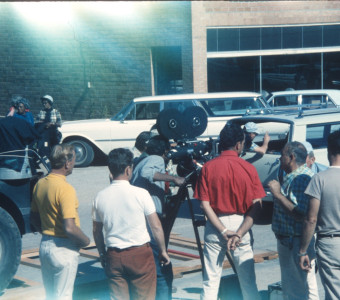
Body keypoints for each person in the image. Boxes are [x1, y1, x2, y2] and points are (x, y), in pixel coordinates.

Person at [194, 123, 265, 300]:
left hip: (215, 223)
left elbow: (204, 204)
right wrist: (239, 233)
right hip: (242, 222)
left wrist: (223, 230)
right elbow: (257, 205)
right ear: (238, 145)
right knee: (248, 281)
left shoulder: (208, 168)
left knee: (211, 281)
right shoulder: (249, 168)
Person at [92, 148, 170, 300]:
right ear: (128, 169)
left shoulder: (99, 197)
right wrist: (162, 251)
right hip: (140, 255)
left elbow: (96, 231)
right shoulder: (141, 194)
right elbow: (156, 226)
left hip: (113, 255)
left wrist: (102, 253)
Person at [30, 144, 90, 299]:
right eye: (74, 160)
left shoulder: (40, 184)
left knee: (50, 295)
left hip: (45, 245)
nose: (74, 165)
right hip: (63, 248)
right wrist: (85, 241)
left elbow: (34, 218)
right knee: (63, 296)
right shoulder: (65, 188)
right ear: (67, 163)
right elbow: (70, 228)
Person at [130, 134, 185, 300]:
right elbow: (148, 174)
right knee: (161, 266)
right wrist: (174, 178)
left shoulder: (142, 160)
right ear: (165, 151)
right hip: (149, 218)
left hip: (140, 217)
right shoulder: (156, 159)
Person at [268, 141, 315, 300]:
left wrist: (278, 194)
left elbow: (300, 213)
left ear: (291, 157)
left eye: (282, 155)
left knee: (295, 291)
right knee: (295, 287)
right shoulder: (300, 175)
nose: (280, 159)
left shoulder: (299, 179)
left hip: (293, 241)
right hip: (291, 241)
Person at [299, 130, 340, 300]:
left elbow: (311, 219)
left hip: (330, 243)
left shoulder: (319, 179)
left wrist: (303, 250)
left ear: (329, 151)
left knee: (334, 292)